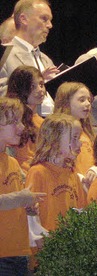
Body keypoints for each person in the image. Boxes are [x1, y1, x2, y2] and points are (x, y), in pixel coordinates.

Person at [27, 113, 86, 231]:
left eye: (78, 138)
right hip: (48, 244)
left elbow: (81, 210)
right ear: (54, 141)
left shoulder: (71, 173)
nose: (80, 143)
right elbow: (32, 218)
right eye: (74, 138)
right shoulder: (38, 172)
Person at [0, 0, 57, 116]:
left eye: (50, 20)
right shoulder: (6, 55)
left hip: (51, 123)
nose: (50, 25)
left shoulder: (46, 60)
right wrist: (33, 82)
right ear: (23, 19)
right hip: (22, 125)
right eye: (44, 19)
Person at [0, 97, 31, 276]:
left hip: (20, 251)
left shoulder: (12, 162)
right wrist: (21, 198)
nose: (21, 127)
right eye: (13, 122)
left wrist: (30, 206)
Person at [53, 82, 95, 185]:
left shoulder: (87, 132)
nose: (88, 103)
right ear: (66, 103)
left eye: (89, 100)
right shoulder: (58, 132)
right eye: (82, 100)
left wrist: (95, 169)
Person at [6, 66, 45, 171]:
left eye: (41, 85)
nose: (40, 90)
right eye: (32, 86)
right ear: (20, 87)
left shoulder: (42, 122)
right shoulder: (11, 122)